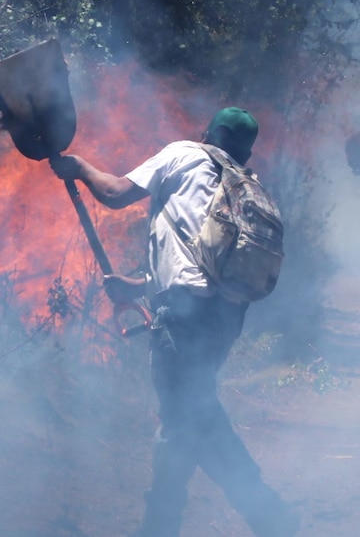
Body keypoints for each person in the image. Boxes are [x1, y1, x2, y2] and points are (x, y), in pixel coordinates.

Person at [50, 107, 298, 537]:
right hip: (224, 319)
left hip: (184, 319)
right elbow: (202, 265)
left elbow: (114, 193)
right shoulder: (242, 184)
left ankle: (265, 512)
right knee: (184, 419)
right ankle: (171, 524)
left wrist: (79, 167)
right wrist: (137, 287)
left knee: (191, 417)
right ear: (244, 151)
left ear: (209, 133)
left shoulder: (184, 153)